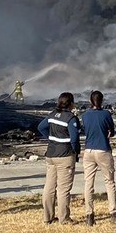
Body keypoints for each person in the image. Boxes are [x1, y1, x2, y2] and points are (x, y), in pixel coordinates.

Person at [38, 91, 80, 225]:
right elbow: (74, 139)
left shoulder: (52, 114)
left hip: (50, 155)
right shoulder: (70, 118)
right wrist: (75, 151)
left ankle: (47, 217)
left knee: (49, 187)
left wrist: (51, 139)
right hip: (65, 156)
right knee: (63, 189)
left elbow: (41, 127)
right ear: (71, 104)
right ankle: (64, 218)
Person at [80, 90, 116, 226]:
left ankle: (89, 215)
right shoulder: (106, 114)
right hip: (103, 149)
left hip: (89, 150)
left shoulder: (85, 115)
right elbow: (112, 131)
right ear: (102, 101)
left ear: (91, 101)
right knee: (109, 182)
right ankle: (113, 213)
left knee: (88, 183)